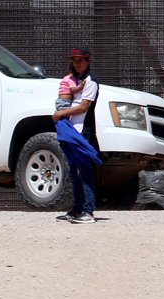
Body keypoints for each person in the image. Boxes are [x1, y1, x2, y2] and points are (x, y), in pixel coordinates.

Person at [52, 46, 99, 224]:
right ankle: (77, 210)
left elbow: (83, 107)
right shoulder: (78, 80)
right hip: (72, 131)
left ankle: (89, 211)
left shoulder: (91, 81)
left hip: (83, 132)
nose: (76, 63)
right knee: (73, 171)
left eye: (80, 60)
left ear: (88, 61)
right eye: (74, 60)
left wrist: (60, 114)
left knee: (84, 172)